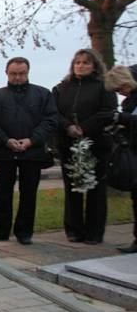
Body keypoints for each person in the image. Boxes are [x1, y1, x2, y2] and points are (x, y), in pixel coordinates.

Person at [0, 57, 58, 245]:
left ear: (28, 73)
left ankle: (24, 232)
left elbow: (50, 121)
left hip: (32, 152)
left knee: (29, 193)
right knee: (3, 193)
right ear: (6, 73)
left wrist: (32, 140)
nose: (17, 77)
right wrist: (6, 140)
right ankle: (1, 230)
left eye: (21, 74)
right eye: (13, 74)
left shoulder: (42, 94)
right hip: (5, 152)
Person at [52, 49, 117, 245]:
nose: (80, 66)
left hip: (95, 145)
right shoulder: (62, 88)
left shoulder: (104, 87)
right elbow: (53, 112)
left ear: (94, 66)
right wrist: (68, 127)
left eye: (85, 63)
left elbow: (107, 112)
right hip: (69, 145)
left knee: (96, 190)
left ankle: (94, 232)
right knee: (72, 189)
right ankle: (74, 230)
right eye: (77, 62)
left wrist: (84, 128)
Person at [104, 65, 137, 253]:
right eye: (117, 91)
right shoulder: (128, 102)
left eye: (121, 88)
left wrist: (123, 118)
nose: (121, 93)